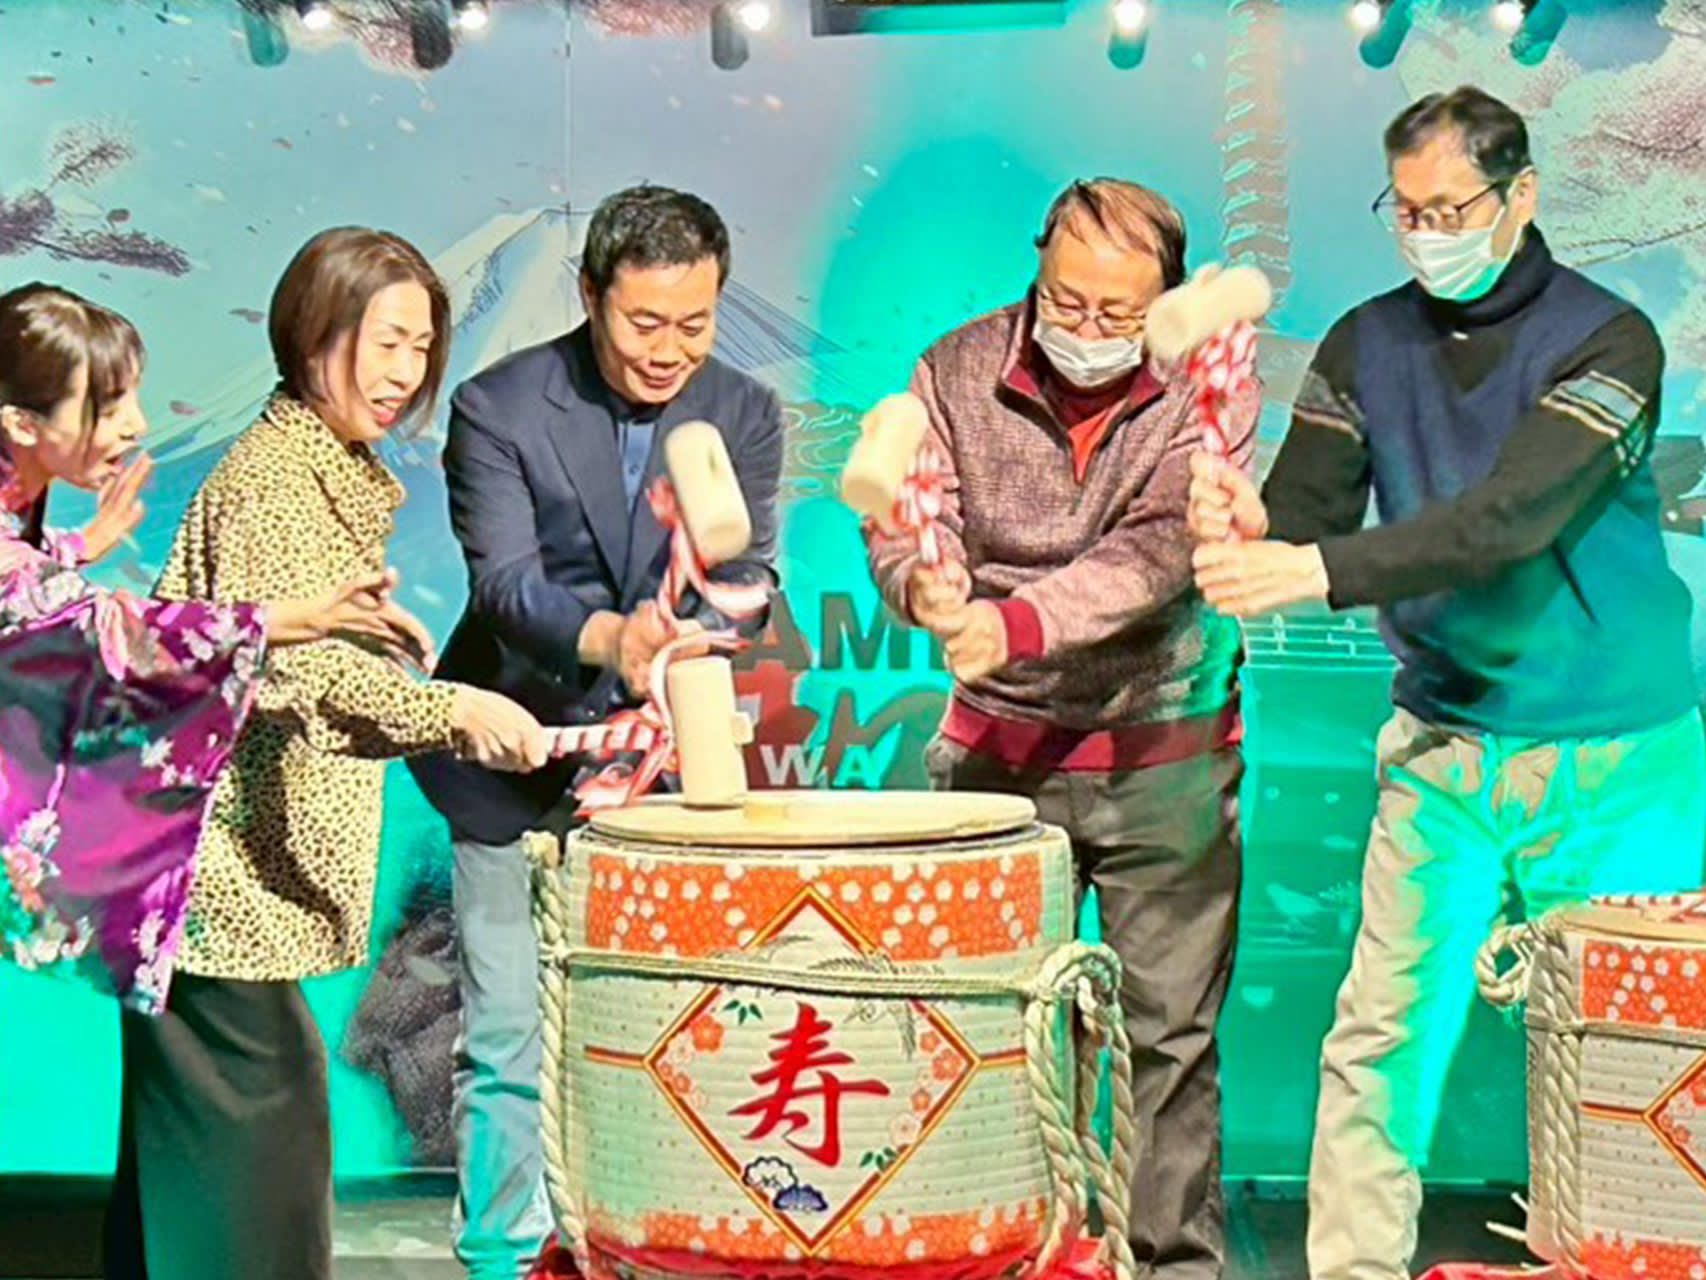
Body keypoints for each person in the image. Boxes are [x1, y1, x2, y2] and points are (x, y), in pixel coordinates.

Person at [1186, 86, 1706, 1280]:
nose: (1426, 234)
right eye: (1406, 211)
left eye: (1451, 209)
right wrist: (1249, 520)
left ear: (1519, 196)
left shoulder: (1609, 339)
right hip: (1443, 747)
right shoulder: (1363, 343)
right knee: (1377, 1041)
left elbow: (1506, 521)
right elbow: (1307, 514)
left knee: (1636, 1049)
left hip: (1620, 757)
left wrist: (1311, 568)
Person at [104, 227, 552, 1280]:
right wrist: (451, 709)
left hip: (203, 879)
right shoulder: (277, 480)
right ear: (314, 337)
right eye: (384, 341)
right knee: (257, 1140)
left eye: (420, 346)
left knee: (193, 1158)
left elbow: (294, 644)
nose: (404, 371)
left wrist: (379, 648)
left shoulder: (326, 468)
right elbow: (297, 678)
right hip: (207, 879)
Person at [863, 178, 1258, 1280]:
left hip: (1165, 756)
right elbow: (907, 512)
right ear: (1035, 268)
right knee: (990, 1032)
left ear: (1164, 300)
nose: (1085, 329)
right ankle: (993, 1255)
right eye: (1065, 301)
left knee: (1163, 1042)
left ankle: (1166, 1266)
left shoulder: (1207, 381)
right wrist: (921, 582)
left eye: (1116, 312)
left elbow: (1158, 550)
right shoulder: (953, 368)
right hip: (996, 761)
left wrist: (1015, 623)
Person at [407, 184, 783, 1279]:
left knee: (667, 1033)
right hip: (513, 763)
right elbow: (506, 585)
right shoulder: (498, 406)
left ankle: (650, 1250)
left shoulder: (745, 411)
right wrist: (614, 638)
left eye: (694, 324)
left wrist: (709, 622)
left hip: (662, 781)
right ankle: (501, 1257)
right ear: (588, 294)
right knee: (507, 1036)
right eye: (643, 322)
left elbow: (752, 573)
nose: (669, 351)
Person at [0, 281, 421, 1015]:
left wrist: (74, 547)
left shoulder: (19, 478)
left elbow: (25, 582)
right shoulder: (263, 480)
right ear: (21, 423)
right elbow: (101, 626)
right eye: (107, 407)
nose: (135, 425)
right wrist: (297, 618)